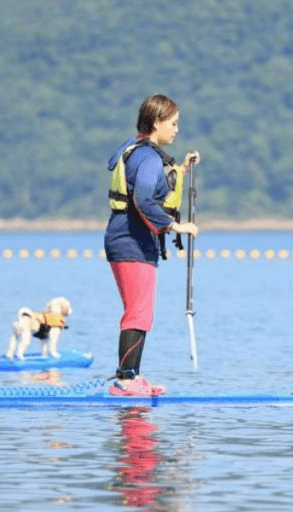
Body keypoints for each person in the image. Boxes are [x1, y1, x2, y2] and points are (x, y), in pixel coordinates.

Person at [105, 94, 199, 396]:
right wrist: (175, 225)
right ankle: (125, 380)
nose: (176, 130)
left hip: (133, 240)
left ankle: (133, 376)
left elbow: (155, 186)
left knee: (141, 312)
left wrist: (181, 169)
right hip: (130, 241)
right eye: (172, 124)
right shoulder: (146, 158)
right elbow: (143, 198)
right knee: (137, 312)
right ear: (156, 122)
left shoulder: (144, 153)